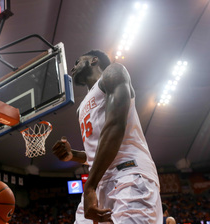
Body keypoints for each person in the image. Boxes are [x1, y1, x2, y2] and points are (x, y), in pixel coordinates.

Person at [52, 50, 162, 223]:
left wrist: (89, 186)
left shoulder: (113, 73)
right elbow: (95, 152)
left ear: (94, 60)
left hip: (129, 172)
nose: (73, 67)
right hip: (100, 180)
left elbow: (115, 126)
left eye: (78, 61)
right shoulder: (80, 109)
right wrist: (73, 154)